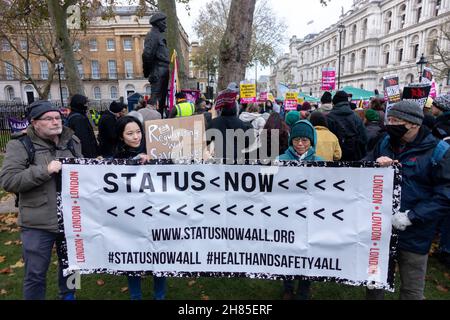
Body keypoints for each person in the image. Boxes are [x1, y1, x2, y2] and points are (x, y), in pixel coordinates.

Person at [364, 100, 450, 300]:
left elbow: (446, 195)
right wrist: (373, 164)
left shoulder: (439, 151)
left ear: (413, 124)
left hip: (415, 233)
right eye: (390, 119)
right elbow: (363, 164)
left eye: (395, 120)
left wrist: (412, 216)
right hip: (380, 229)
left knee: (412, 288)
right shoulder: (385, 142)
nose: (390, 124)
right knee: (374, 282)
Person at [0, 101, 82, 300]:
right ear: (34, 122)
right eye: (49, 118)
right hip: (38, 222)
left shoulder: (73, 141)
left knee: (73, 268)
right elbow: (9, 180)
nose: (56, 122)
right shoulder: (20, 145)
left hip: (73, 221)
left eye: (58, 117)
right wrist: (45, 171)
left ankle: (70, 296)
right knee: (35, 274)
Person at [113, 116, 167, 299]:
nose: (136, 137)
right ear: (121, 137)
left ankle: (159, 296)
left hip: (157, 215)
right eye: (130, 133)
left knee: (160, 258)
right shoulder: (115, 158)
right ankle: (135, 296)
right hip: (131, 218)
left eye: (138, 132)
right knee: (133, 258)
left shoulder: (155, 150)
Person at [277, 120, 323, 299]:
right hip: (286, 217)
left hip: (309, 218)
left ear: (311, 141)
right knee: (287, 252)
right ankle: (288, 286)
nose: (300, 144)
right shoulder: (281, 160)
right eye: (296, 140)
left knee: (307, 252)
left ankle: (304, 288)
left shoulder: (319, 162)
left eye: (304, 140)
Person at [327, 90, 368, 161]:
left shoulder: (329, 118)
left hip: (334, 159)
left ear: (334, 102)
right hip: (354, 158)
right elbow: (364, 139)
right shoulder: (356, 117)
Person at [142, 12, 170, 117]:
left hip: (163, 69)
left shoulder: (159, 36)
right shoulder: (152, 35)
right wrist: (148, 71)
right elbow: (147, 55)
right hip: (157, 70)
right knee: (156, 99)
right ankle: (153, 121)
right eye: (164, 22)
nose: (165, 25)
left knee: (162, 99)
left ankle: (160, 119)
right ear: (157, 23)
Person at [67, 94, 99, 158]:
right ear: (80, 104)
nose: (86, 106)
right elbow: (85, 140)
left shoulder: (75, 115)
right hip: (85, 156)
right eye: (85, 104)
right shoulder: (79, 119)